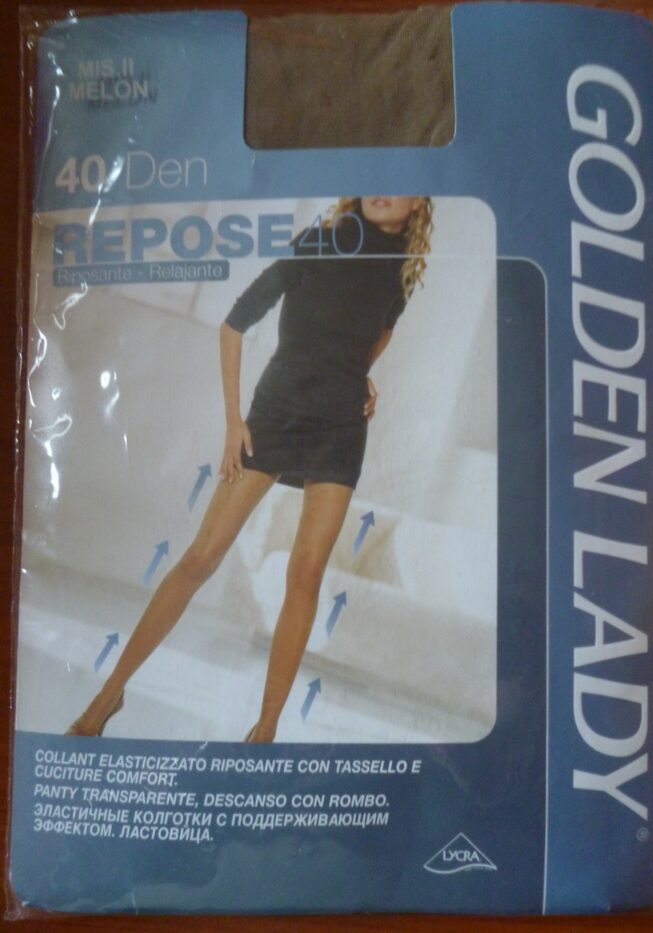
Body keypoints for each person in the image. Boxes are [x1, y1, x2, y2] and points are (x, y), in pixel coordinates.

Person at [67, 196, 433, 742]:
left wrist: (361, 376)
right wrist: (233, 421)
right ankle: (108, 694)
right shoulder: (321, 242)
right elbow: (235, 322)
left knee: (306, 573)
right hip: (275, 415)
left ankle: (264, 729)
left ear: (419, 201)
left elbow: (376, 338)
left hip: (340, 429)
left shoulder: (401, 272)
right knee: (200, 557)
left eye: (399, 185)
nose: (384, 190)